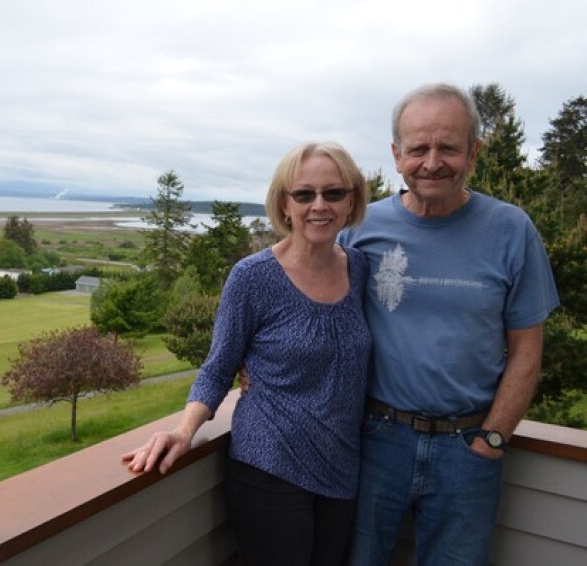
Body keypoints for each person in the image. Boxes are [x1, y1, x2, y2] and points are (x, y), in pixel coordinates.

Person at [338, 83, 560, 566]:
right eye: (418, 148)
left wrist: (494, 438)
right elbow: (304, 302)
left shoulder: (512, 229)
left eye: (448, 147)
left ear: (474, 152)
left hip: (469, 446)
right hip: (375, 439)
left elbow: (526, 347)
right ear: (397, 155)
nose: (432, 161)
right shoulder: (360, 228)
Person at [124, 142, 372, 565]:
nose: (319, 205)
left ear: (351, 202)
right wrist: (184, 431)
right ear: (284, 204)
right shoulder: (253, 277)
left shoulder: (360, 268)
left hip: (342, 465)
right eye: (304, 194)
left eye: (334, 193)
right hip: (269, 464)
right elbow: (219, 366)